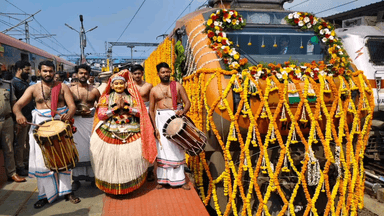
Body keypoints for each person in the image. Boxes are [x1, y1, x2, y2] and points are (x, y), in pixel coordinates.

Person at [13, 60, 80, 208]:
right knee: (42, 163)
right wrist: (19, 115)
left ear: (54, 72)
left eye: (51, 71)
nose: (48, 74)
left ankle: (67, 192)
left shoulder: (62, 87)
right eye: (45, 71)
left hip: (60, 127)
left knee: (64, 159)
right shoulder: (33, 89)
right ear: (39, 72)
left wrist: (69, 114)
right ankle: (44, 195)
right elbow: (17, 105)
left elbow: (72, 106)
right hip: (40, 129)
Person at [90, 70, 157, 195]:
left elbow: (140, 112)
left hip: (131, 128)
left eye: (121, 83)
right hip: (110, 129)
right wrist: (115, 110)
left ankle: (130, 185)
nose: (119, 86)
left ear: (125, 85)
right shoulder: (106, 97)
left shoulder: (133, 97)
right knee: (108, 158)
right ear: (112, 85)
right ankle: (112, 185)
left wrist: (127, 108)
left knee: (132, 158)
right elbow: (101, 115)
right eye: (116, 84)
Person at [149, 62, 191, 190]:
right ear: (158, 74)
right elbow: (151, 110)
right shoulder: (154, 90)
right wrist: (154, 127)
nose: (166, 74)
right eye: (163, 72)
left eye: (168, 71)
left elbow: (187, 102)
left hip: (175, 118)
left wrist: (183, 111)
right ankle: (162, 180)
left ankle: (181, 179)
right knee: (163, 149)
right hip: (161, 119)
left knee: (177, 147)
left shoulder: (177, 86)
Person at [70, 64, 100, 191]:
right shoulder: (69, 90)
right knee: (76, 149)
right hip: (75, 122)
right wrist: (77, 112)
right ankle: (76, 179)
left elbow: (102, 106)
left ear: (89, 75)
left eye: (85, 73)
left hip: (90, 122)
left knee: (92, 148)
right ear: (76, 74)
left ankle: (94, 178)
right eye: (81, 73)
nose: (83, 76)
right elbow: (67, 107)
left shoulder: (94, 90)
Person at [0, 69, 26, 183]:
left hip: (7, 120)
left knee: (9, 148)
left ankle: (12, 173)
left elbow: (13, 103)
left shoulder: (7, 84)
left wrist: (16, 120)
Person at [11, 60, 35, 177]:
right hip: (21, 118)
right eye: (26, 70)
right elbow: (13, 103)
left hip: (29, 117)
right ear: (19, 70)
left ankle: (25, 163)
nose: (28, 72)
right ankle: (19, 166)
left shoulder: (25, 83)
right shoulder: (13, 83)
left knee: (27, 142)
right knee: (20, 144)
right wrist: (16, 118)